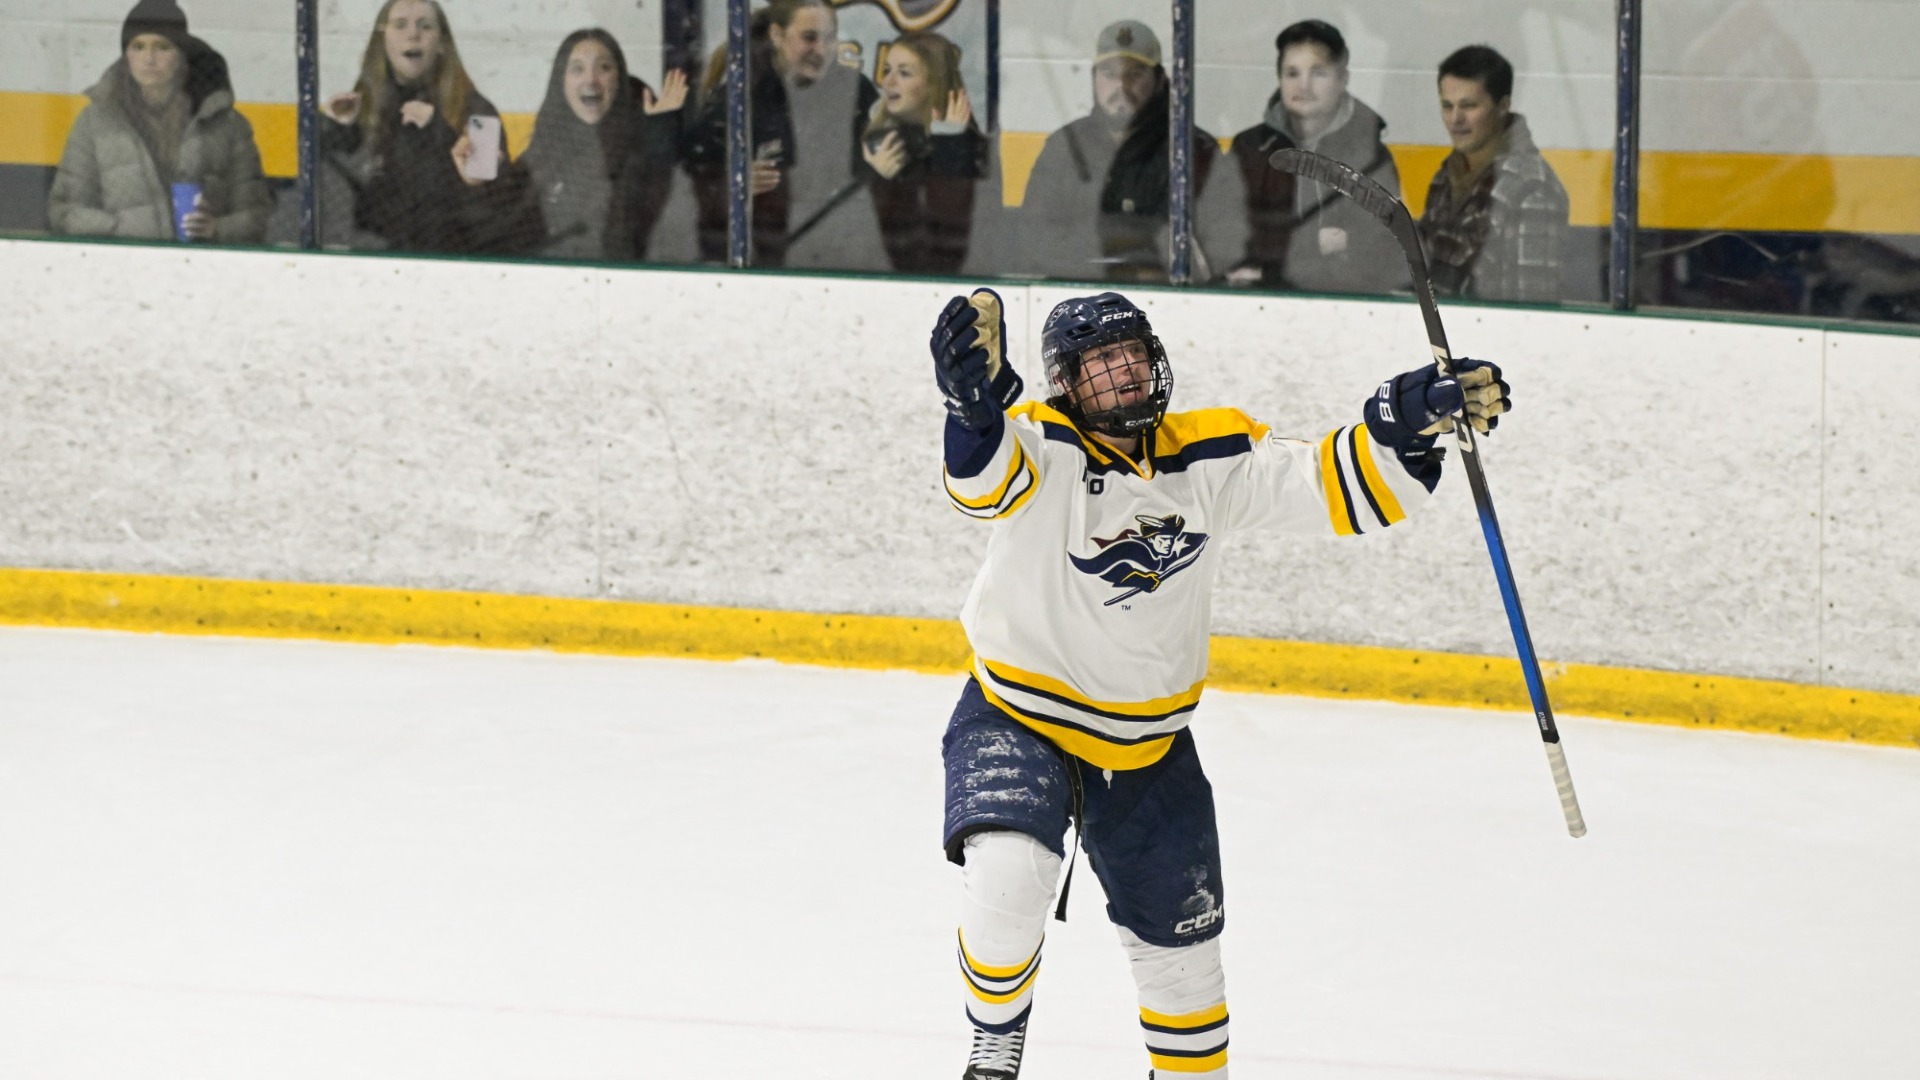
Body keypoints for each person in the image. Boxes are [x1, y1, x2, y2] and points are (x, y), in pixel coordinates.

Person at [928, 288, 1512, 1079]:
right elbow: (982, 482)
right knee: (1006, 882)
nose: (1125, 374)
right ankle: (996, 1041)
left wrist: (1401, 425)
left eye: (1133, 355)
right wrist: (969, 411)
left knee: (1186, 966)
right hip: (1018, 717)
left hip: (1150, 749)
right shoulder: (1041, 443)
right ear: (1066, 381)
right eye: (1102, 363)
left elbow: (1328, 485)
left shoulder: (1208, 453)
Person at [1019, 20, 1247, 283]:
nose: (1121, 87)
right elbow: (1032, 239)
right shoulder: (1065, 146)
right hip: (1077, 303)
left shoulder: (1194, 149)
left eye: (1135, 74)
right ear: (1093, 78)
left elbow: (1223, 246)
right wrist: (1131, 247)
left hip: (1167, 306)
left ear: (1160, 80)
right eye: (1109, 73)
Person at [319, 0, 540, 255]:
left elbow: (492, 205)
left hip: (459, 263)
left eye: (425, 26)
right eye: (400, 25)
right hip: (378, 264)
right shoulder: (363, 108)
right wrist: (337, 130)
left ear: (442, 44)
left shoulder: (479, 112)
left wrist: (441, 133)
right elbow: (337, 200)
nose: (413, 34)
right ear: (383, 41)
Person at [48, 0, 269, 244]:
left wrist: (217, 228)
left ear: (182, 54)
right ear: (126, 55)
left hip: (202, 270)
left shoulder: (226, 125)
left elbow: (257, 214)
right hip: (121, 268)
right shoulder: (94, 123)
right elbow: (64, 211)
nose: (149, 58)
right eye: (138, 46)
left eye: (163, 47)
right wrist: (120, 227)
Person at [685, 0, 884, 269]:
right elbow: (689, 182)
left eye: (829, 37)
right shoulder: (742, 93)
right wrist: (731, 187)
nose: (822, 50)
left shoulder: (855, 90)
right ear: (777, 35)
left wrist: (887, 167)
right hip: (766, 261)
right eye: (809, 38)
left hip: (842, 253)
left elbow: (887, 177)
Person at [1227, 20, 1409, 295]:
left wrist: (1277, 253)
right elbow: (1229, 233)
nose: (1304, 85)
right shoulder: (1250, 148)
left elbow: (1379, 247)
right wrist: (1316, 243)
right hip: (1260, 296)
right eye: (1292, 73)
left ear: (1342, 79)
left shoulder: (1369, 154)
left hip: (1346, 300)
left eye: (1318, 73)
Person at [1417, 44, 1569, 303]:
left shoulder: (1532, 189)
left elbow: (1531, 308)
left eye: (1469, 105)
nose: (1455, 119)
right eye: (1447, 105)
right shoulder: (1445, 177)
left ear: (1502, 106)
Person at [521, 29, 689, 261]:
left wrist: (660, 134)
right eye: (577, 69)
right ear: (561, 82)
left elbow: (664, 218)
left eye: (604, 68)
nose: (590, 79)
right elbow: (507, 225)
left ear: (619, 81)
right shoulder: (545, 148)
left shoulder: (639, 147)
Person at [857, 31, 986, 275]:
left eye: (904, 73)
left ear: (933, 83)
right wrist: (878, 175)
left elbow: (951, 245)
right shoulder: (873, 137)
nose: (888, 82)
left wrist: (950, 138)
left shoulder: (967, 140)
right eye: (887, 70)